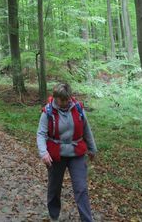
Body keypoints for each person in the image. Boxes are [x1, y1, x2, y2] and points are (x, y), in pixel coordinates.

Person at [36, 83, 97, 222]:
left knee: (81, 188)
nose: (65, 102)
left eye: (67, 99)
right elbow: (41, 134)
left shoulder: (77, 108)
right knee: (54, 187)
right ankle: (54, 215)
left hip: (77, 153)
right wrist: (43, 153)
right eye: (62, 100)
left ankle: (87, 219)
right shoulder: (48, 111)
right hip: (56, 155)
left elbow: (86, 129)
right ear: (56, 98)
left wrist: (92, 148)